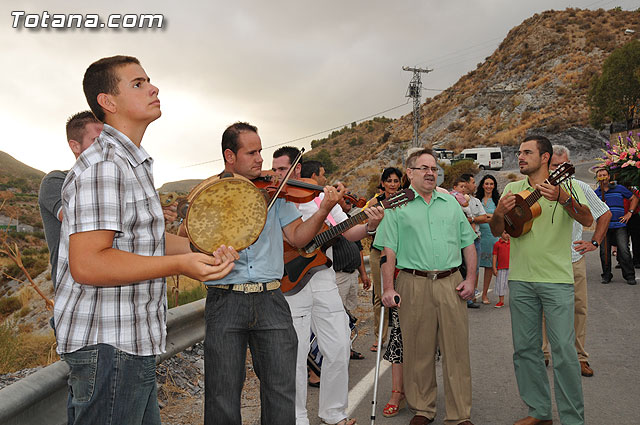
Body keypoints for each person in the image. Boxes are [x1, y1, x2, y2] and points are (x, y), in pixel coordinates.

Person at [55, 55, 238, 425]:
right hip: (109, 345)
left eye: (149, 81)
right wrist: (180, 265)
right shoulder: (105, 166)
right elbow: (88, 262)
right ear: (108, 102)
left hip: (129, 342)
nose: (153, 88)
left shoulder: (129, 164)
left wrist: (199, 250)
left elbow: (146, 240)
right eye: (137, 84)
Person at [204, 128, 346, 425]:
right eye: (251, 153)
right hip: (226, 298)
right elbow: (192, 238)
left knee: (282, 390)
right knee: (222, 393)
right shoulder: (211, 194)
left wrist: (324, 210)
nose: (260, 160)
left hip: (272, 298)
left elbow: (297, 237)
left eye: (260, 152)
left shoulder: (276, 194)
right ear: (230, 156)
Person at [271, 149, 383, 425]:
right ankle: (297, 418)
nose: (276, 175)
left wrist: (370, 224)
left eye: (282, 169)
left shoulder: (323, 197)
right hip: (291, 282)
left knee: (340, 345)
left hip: (323, 278)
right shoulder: (273, 200)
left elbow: (347, 232)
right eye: (273, 169)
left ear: (297, 170)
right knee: (295, 355)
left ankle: (334, 414)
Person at [490, 135, 593, 425]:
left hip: (557, 281)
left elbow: (586, 220)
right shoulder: (512, 188)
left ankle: (573, 418)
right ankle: (539, 411)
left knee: (563, 352)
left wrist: (563, 198)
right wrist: (498, 212)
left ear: (545, 157)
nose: (520, 157)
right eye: (519, 152)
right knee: (525, 350)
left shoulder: (568, 184)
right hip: (521, 280)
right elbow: (499, 230)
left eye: (526, 152)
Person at [378, 148, 478, 425]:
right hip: (413, 283)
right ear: (409, 173)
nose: (430, 173)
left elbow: (468, 243)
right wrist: (388, 287)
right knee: (418, 351)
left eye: (434, 169)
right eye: (424, 168)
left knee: (457, 352)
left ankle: (460, 415)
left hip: (450, 282)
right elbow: (388, 252)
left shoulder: (450, 203)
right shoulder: (396, 206)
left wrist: (471, 280)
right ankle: (422, 409)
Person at [540, 145, 611, 377]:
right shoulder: (537, 189)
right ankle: (542, 354)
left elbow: (604, 213)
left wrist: (595, 243)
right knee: (542, 309)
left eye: (563, 165)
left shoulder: (580, 187)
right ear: (546, 165)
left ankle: (579, 357)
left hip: (573, 259)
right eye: (554, 166)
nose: (559, 170)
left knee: (578, 309)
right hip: (545, 261)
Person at [38, 111, 103, 290]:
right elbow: (78, 219)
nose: (105, 148)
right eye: (97, 141)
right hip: (73, 303)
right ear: (75, 146)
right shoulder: (56, 181)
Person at [369, 167, 402, 352]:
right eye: (388, 180)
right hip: (378, 251)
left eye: (396, 181)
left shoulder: (405, 201)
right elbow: (366, 226)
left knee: (402, 292)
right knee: (380, 295)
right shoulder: (375, 202)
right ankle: (379, 337)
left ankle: (402, 334)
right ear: (382, 183)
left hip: (401, 252)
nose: (392, 184)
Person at [594, 167, 638, 285]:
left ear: (609, 176)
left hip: (619, 225)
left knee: (623, 250)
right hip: (604, 227)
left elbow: (634, 198)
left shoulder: (619, 188)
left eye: (604, 175)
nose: (603, 178)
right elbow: (590, 208)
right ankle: (606, 275)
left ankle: (629, 275)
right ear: (598, 178)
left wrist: (630, 213)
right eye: (600, 176)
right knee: (604, 252)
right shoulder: (596, 193)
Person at [460, 173, 489, 307]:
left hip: (475, 238)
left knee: (474, 268)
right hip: (460, 241)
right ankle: (460, 297)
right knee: (461, 269)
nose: (475, 185)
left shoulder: (476, 201)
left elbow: (484, 218)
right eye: (472, 182)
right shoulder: (454, 199)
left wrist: (471, 220)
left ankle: (470, 297)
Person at [475, 174, 501, 304]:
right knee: (475, 266)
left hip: (492, 236)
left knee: (489, 267)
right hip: (478, 235)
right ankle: (473, 292)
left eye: (491, 184)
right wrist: (488, 217)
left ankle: (484, 294)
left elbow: (498, 217)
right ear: (482, 185)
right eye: (486, 183)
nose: (489, 186)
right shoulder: (476, 200)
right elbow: (474, 216)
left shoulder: (497, 201)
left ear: (494, 186)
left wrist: (485, 216)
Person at [491, 231, 510, 308]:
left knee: (512, 284)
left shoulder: (512, 244)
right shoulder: (497, 244)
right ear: (501, 234)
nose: (507, 235)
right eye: (505, 233)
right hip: (501, 267)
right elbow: (495, 256)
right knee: (501, 284)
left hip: (511, 267)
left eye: (508, 233)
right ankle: (501, 301)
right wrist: (494, 268)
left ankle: (514, 301)